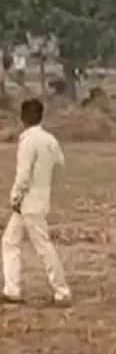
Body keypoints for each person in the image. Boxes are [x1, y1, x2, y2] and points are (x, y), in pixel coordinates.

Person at [3, 99, 70, 306]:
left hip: (27, 202)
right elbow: (60, 162)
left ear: (23, 118)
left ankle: (62, 291)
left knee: (42, 246)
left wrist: (15, 197)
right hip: (40, 199)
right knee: (9, 242)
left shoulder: (28, 141)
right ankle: (11, 289)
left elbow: (23, 175)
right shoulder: (50, 140)